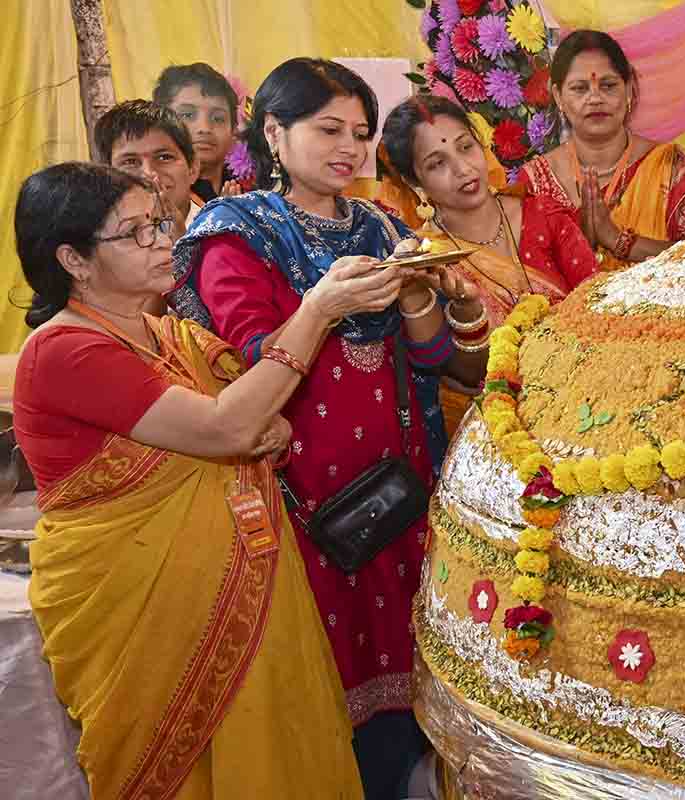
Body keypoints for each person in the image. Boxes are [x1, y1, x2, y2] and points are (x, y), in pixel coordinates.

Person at [170, 57, 486, 800]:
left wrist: (432, 293)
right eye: (328, 129)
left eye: (362, 133)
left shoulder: (382, 225)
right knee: (323, 683)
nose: (349, 147)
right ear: (274, 133)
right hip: (302, 496)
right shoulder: (237, 232)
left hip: (402, 491)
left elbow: (436, 357)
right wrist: (325, 302)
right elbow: (251, 353)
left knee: (413, 679)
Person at [13, 162, 363, 798]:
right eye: (135, 232)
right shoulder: (63, 352)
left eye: (158, 223)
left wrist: (260, 422)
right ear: (74, 258)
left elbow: (255, 411)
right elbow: (230, 428)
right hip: (147, 613)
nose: (161, 240)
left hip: (243, 589)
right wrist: (318, 311)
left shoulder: (168, 335)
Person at [381, 94, 596, 436]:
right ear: (414, 183)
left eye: (466, 147)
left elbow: (598, 304)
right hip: (491, 434)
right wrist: (468, 310)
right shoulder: (427, 260)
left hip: (585, 404)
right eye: (437, 163)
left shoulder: (545, 216)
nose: (463, 169)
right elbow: (463, 374)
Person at [519, 29, 685, 270]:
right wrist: (574, 245)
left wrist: (618, 240)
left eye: (608, 85)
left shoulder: (671, 167)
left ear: (628, 89)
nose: (595, 98)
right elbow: (527, 281)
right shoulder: (534, 183)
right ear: (558, 96)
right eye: (579, 88)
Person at [95, 99, 201, 232]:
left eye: (164, 157)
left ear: (193, 169)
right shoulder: (94, 244)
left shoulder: (227, 235)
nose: (149, 173)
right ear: (106, 175)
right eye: (130, 162)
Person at [155, 63, 241, 202]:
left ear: (234, 133)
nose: (204, 128)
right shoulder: (151, 196)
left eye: (218, 118)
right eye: (187, 115)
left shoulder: (252, 195)